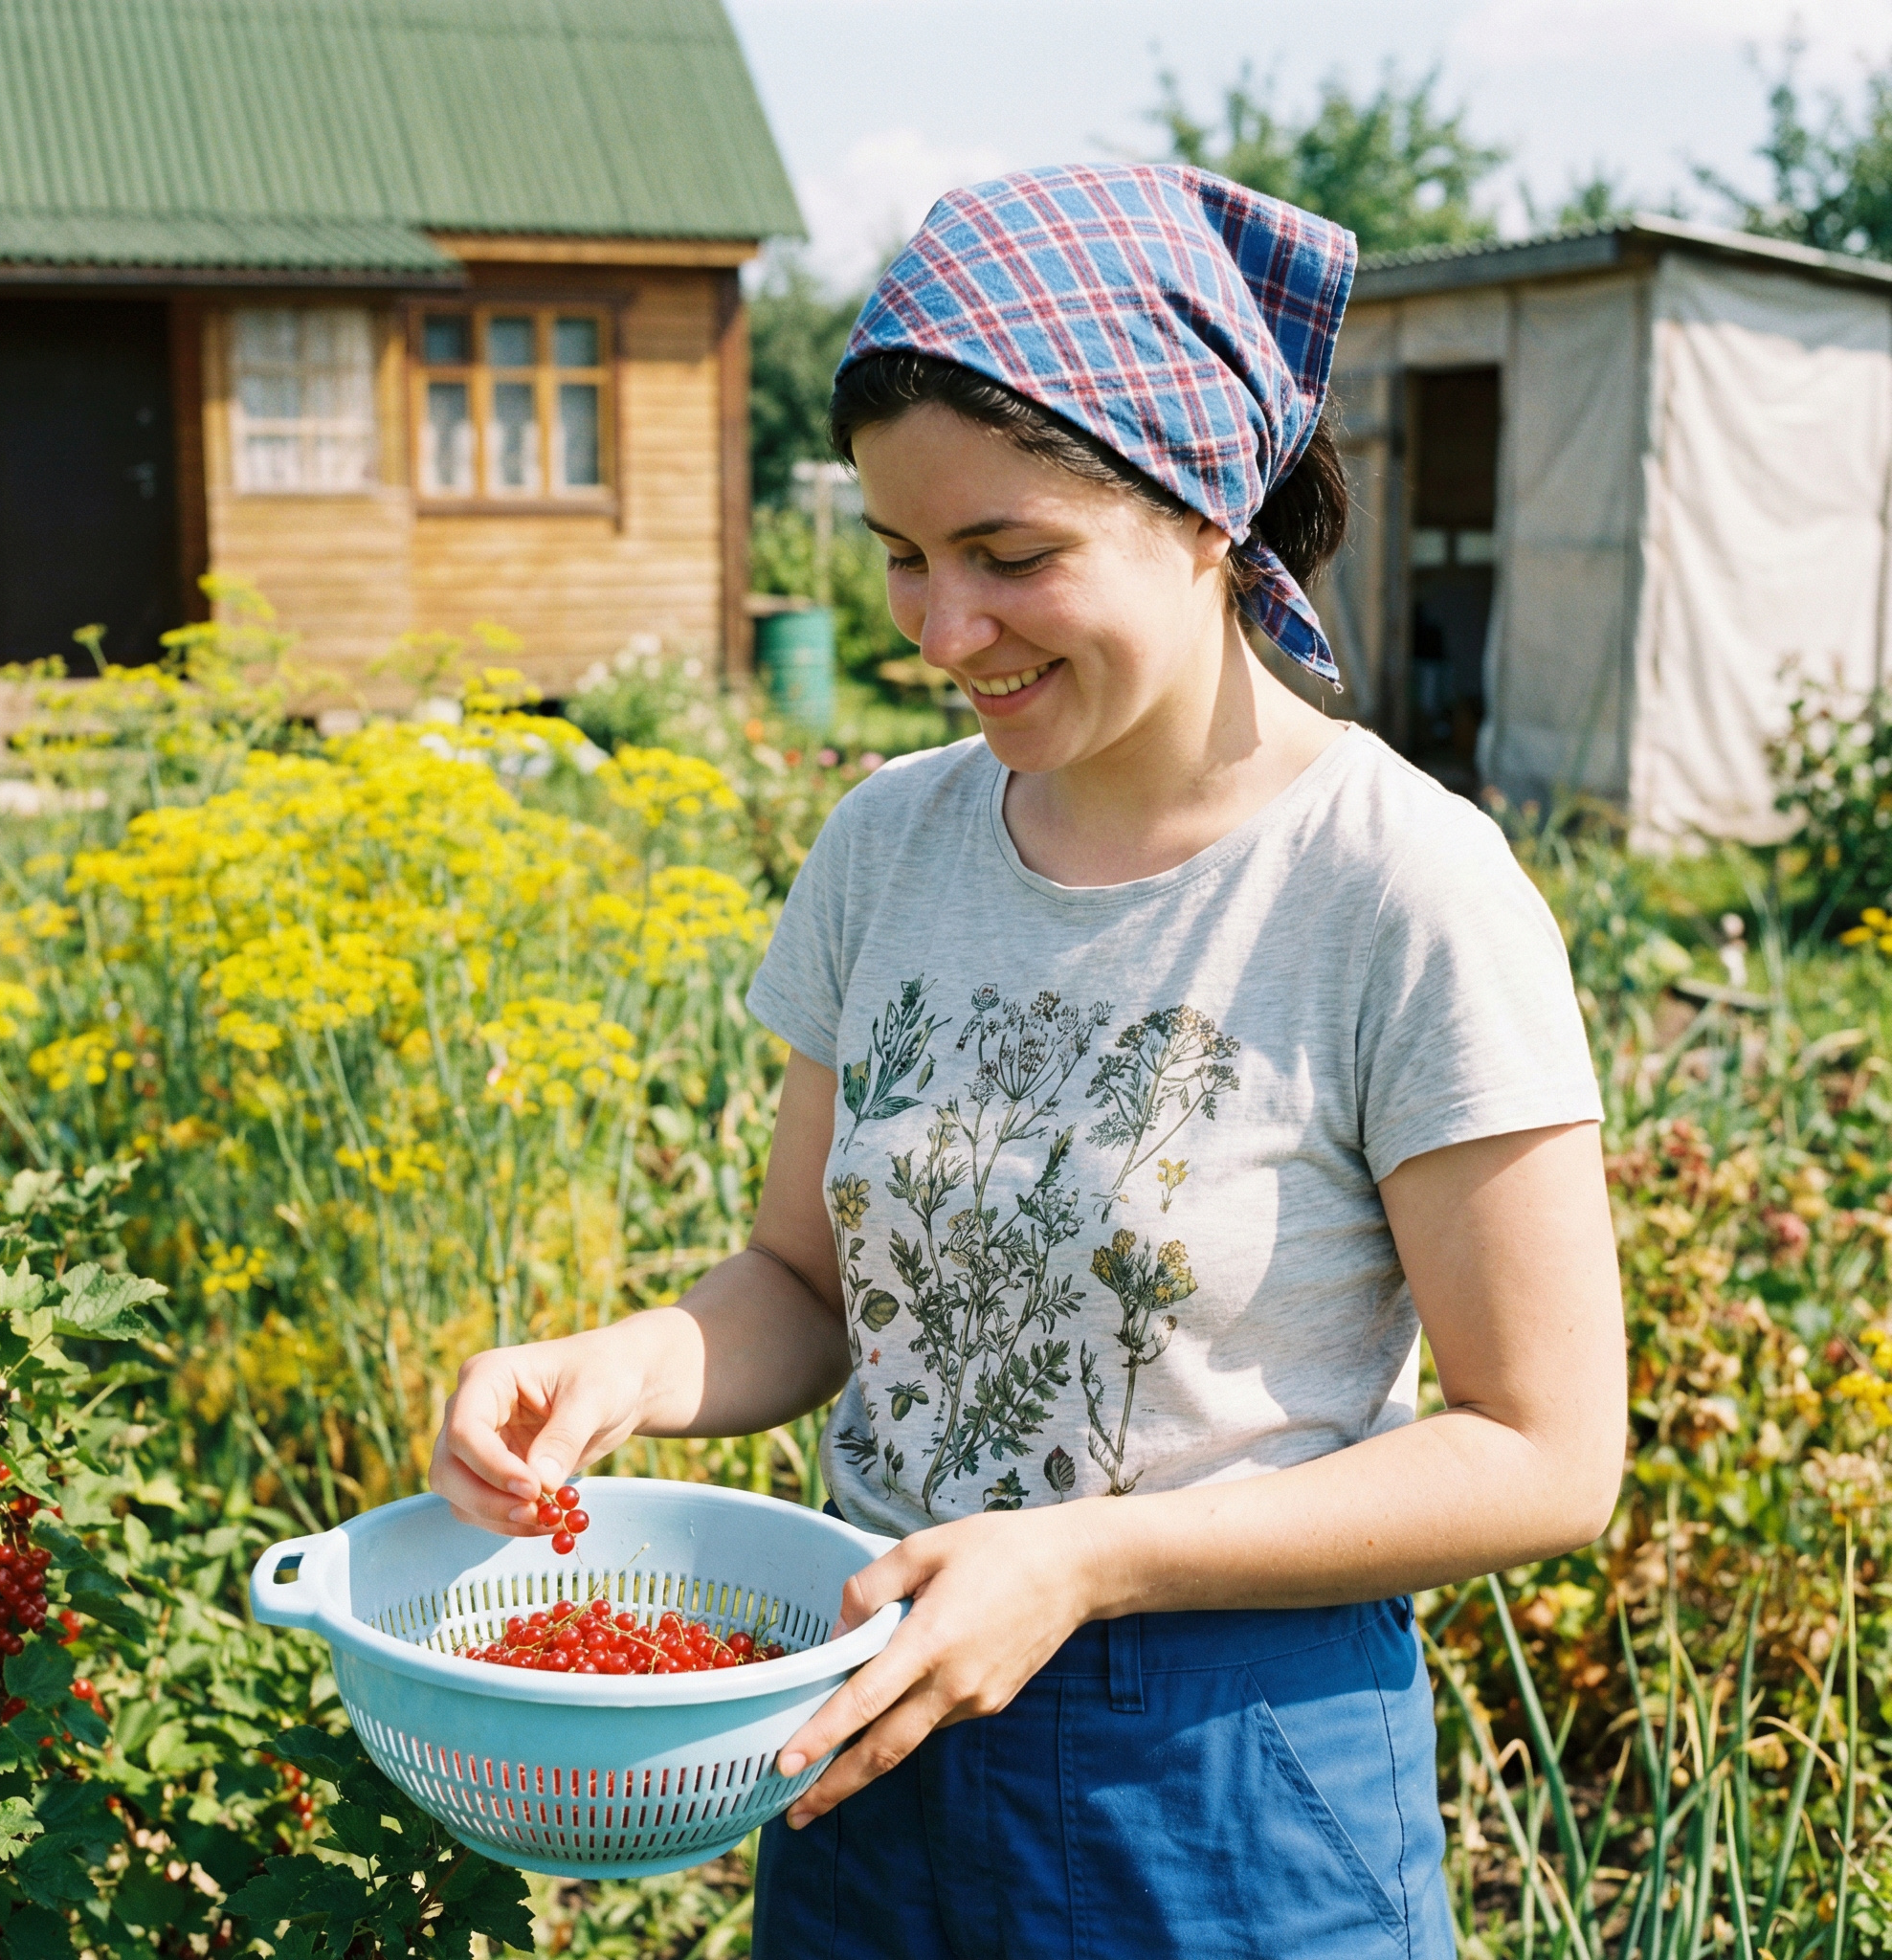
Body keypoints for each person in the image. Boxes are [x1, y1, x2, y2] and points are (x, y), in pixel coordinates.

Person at [430, 164, 1626, 1956]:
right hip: (862, 1724)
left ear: (1210, 507)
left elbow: (1546, 1450)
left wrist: (1084, 1558)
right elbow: (798, 1284)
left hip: (1229, 1793)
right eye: (903, 557)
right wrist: (629, 1364)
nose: (939, 629)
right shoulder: (890, 847)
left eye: (1010, 556)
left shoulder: (1400, 890)